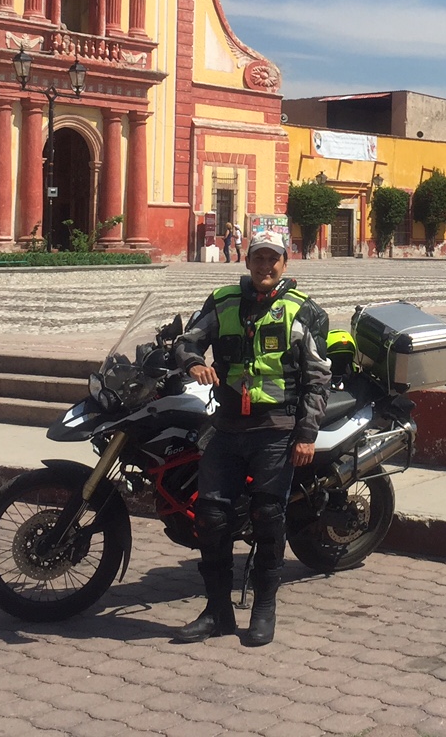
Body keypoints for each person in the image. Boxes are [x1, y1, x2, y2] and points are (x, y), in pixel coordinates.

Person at [169, 227, 331, 647]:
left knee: (267, 519)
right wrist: (192, 365)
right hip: (226, 427)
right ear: (246, 261)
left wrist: (306, 434)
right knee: (210, 517)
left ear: (285, 263)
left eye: (272, 258)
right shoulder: (222, 302)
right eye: (258, 257)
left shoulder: (303, 311)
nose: (265, 265)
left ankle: (264, 608)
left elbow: (318, 378)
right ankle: (217, 612)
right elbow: (187, 342)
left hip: (276, 431)